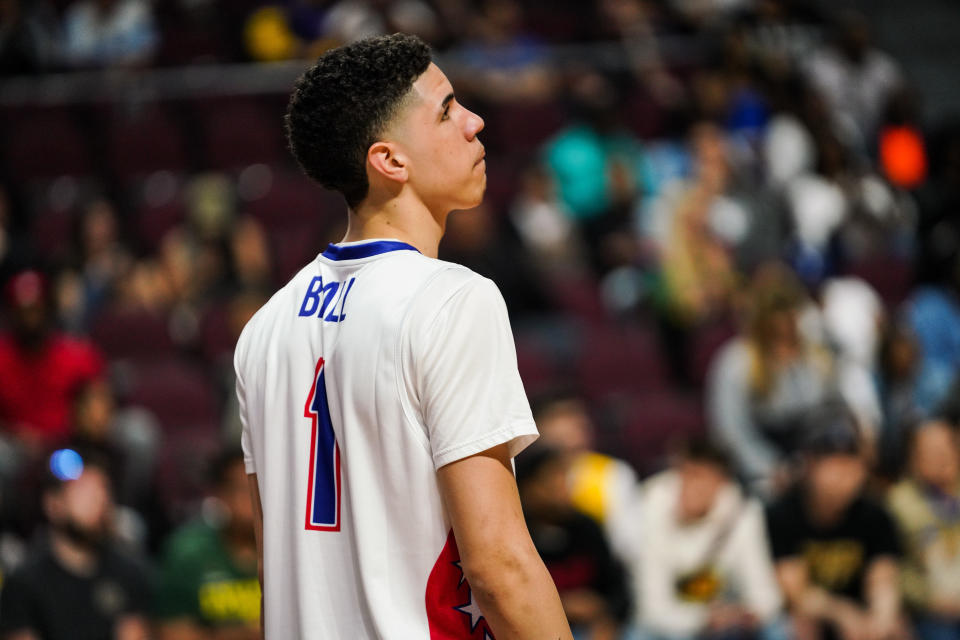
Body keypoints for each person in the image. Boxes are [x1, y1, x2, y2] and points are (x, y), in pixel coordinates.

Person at [235, 34, 572, 639]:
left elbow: (276, 568)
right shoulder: (451, 300)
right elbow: (498, 567)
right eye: (446, 111)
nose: (475, 121)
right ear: (390, 161)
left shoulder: (263, 331)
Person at [766, 407, 908, 640]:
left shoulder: (875, 514)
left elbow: (883, 579)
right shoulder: (783, 513)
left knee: (897, 628)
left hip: (861, 613)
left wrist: (881, 617)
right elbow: (796, 593)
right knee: (800, 626)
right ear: (810, 466)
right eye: (834, 465)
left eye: (851, 464)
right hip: (816, 614)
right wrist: (843, 614)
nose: (845, 476)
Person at [622, 438, 784, 640]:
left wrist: (744, 614)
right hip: (668, 628)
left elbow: (766, 594)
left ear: (722, 482)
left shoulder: (742, 512)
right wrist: (705, 619)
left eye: (701, 477)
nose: (690, 486)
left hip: (725, 620)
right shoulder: (650, 504)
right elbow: (651, 610)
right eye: (686, 474)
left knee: (778, 628)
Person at [0, 450, 151, 640]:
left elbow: (134, 633)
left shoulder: (128, 574)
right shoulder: (24, 584)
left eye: (103, 489)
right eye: (84, 491)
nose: (98, 500)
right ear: (53, 504)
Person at [516, 445, 630, 640]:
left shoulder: (587, 528)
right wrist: (562, 605)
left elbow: (619, 590)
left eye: (564, 476)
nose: (563, 486)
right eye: (552, 479)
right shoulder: (518, 534)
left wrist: (606, 618)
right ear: (528, 488)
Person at [154, 448, 260, 639]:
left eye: (260, 488)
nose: (253, 499)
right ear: (221, 494)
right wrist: (248, 633)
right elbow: (172, 632)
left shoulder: (290, 556)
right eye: (243, 489)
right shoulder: (187, 553)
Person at [887, 420, 960, 640]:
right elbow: (893, 568)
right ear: (914, 460)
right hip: (931, 611)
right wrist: (928, 599)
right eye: (932, 452)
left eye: (947, 449)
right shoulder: (899, 503)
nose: (942, 458)